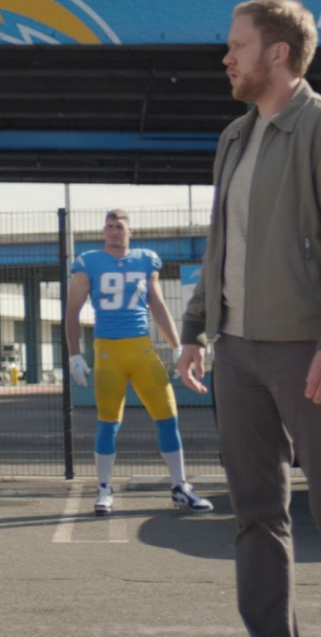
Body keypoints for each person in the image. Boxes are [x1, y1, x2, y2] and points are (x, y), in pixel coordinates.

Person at [177, 0, 321, 636]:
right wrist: (194, 329)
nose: (226, 57)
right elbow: (220, 244)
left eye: (238, 46)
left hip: (307, 351)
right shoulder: (234, 137)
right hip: (236, 355)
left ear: (278, 53)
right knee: (256, 512)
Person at [65, 210, 213, 517]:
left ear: (129, 232)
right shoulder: (88, 262)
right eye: (109, 226)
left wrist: (176, 345)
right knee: (108, 422)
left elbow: (157, 304)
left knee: (168, 415)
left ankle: (179, 487)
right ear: (103, 231)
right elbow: (72, 311)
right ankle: (104, 487)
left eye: (119, 227)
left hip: (142, 349)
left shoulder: (146, 260)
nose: (114, 231)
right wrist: (74, 354)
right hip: (108, 351)